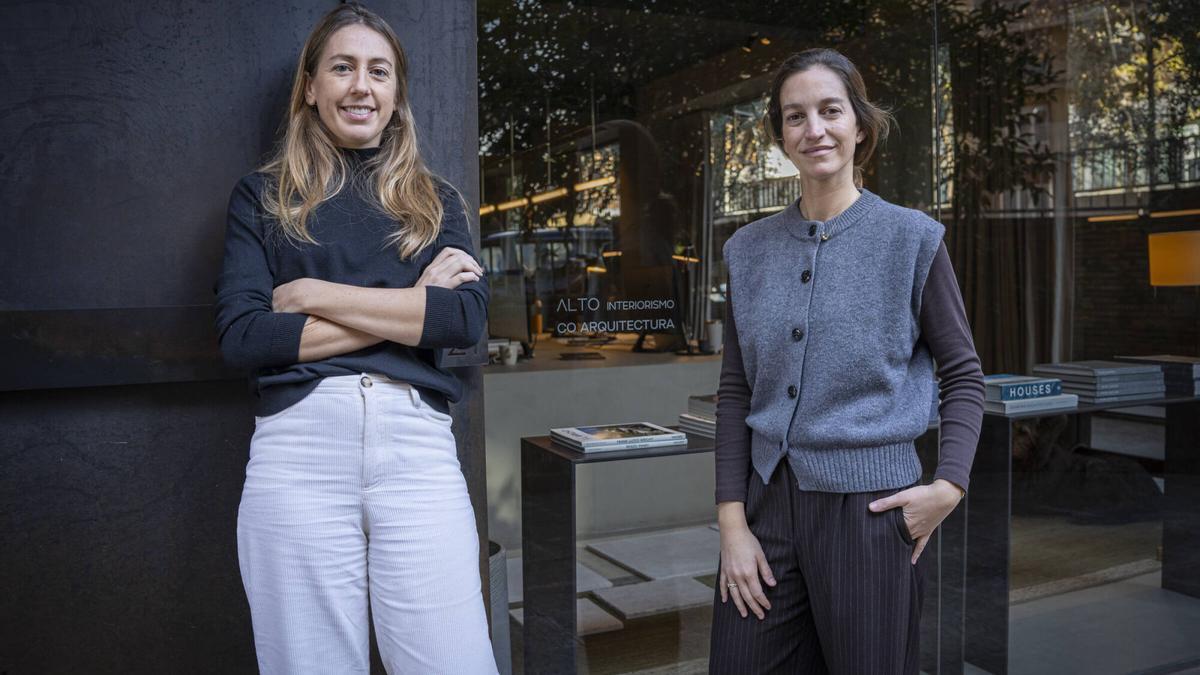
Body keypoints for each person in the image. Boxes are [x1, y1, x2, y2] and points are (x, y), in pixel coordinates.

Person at [213, 4, 497, 673]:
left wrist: (311, 295)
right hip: (298, 454)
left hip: (417, 453)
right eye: (342, 68)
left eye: (379, 71)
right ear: (311, 86)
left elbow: (461, 320)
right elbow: (244, 336)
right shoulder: (262, 198)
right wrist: (410, 307)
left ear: (396, 94)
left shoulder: (435, 201)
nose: (361, 86)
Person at [709, 48, 985, 674]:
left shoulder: (912, 238)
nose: (815, 129)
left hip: (871, 513)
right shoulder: (747, 250)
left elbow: (964, 374)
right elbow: (737, 391)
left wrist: (950, 485)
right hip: (766, 509)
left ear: (860, 125)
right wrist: (732, 523)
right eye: (795, 116)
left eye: (831, 111)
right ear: (781, 135)